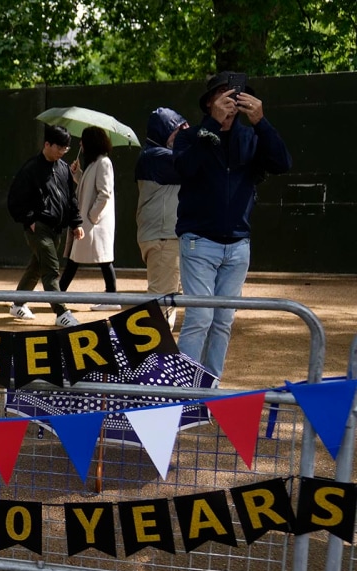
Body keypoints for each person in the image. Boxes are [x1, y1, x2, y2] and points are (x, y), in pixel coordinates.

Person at [174, 71, 291, 379]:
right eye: (222, 96)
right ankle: (182, 395)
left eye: (234, 97)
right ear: (210, 102)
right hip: (199, 241)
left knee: (223, 321)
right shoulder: (190, 136)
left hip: (237, 246)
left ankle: (208, 394)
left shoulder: (251, 137)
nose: (229, 102)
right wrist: (212, 124)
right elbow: (185, 168)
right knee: (200, 317)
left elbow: (282, 163)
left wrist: (261, 121)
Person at [7, 124, 85, 328]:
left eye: (66, 149)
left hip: (57, 228)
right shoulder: (31, 168)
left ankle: (17, 303)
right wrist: (30, 220)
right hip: (38, 227)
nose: (62, 152)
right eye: (59, 148)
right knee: (50, 270)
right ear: (47, 144)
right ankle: (61, 313)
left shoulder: (64, 169)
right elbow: (15, 200)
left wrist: (76, 222)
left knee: (36, 267)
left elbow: (70, 198)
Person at [136, 107, 190, 329]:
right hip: (163, 239)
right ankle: (156, 358)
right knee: (162, 304)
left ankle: (157, 356)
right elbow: (189, 163)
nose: (181, 137)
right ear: (163, 132)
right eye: (177, 132)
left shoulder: (155, 155)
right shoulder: (156, 157)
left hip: (165, 238)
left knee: (165, 300)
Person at [59, 126, 118, 311]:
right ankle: (58, 294)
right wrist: (77, 174)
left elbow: (104, 193)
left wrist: (92, 216)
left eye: (83, 140)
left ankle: (58, 295)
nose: (80, 144)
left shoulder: (103, 163)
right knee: (86, 258)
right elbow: (91, 186)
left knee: (99, 259)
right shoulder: (95, 163)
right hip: (90, 221)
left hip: (95, 223)